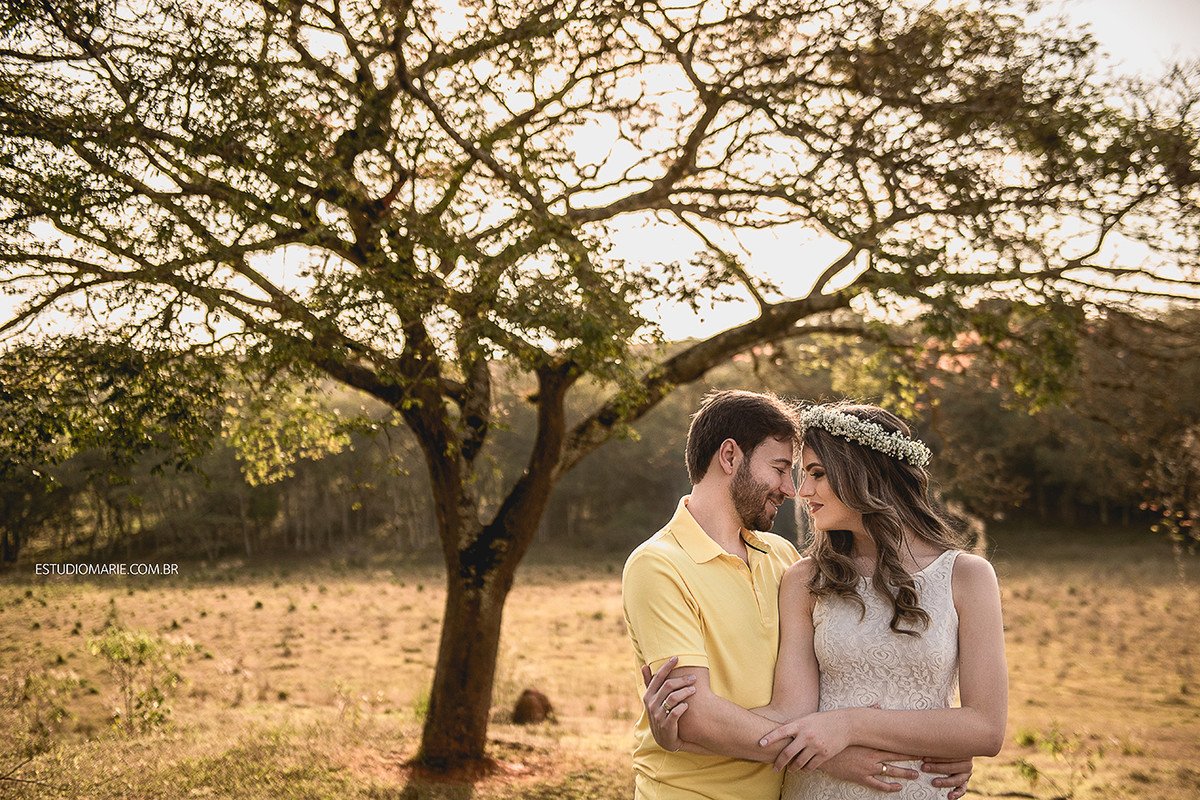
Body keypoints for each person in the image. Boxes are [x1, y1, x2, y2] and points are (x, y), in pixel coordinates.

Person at [644, 402, 1006, 800]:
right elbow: (788, 715)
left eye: (816, 474)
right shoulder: (805, 578)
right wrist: (683, 734)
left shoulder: (967, 577)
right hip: (817, 788)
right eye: (795, 473)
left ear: (865, 473)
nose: (800, 490)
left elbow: (986, 729)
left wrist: (849, 726)